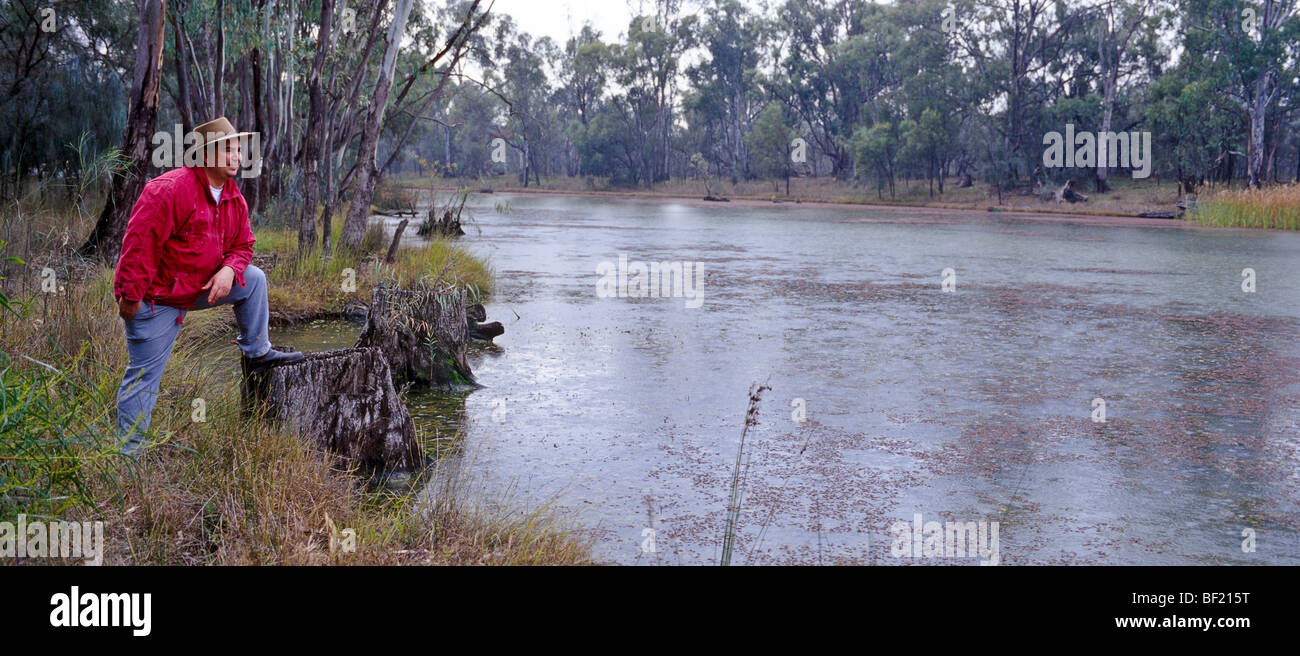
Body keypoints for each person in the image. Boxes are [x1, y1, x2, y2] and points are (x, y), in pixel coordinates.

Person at [113, 117, 303, 456]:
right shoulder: (169, 190)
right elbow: (140, 244)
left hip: (202, 288)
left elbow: (244, 245)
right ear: (206, 155)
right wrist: (130, 296)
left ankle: (258, 352)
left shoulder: (234, 198)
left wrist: (230, 269)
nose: (236, 156)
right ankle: (129, 458)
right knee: (143, 378)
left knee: (254, 280)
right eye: (228, 149)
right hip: (159, 298)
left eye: (239, 149)